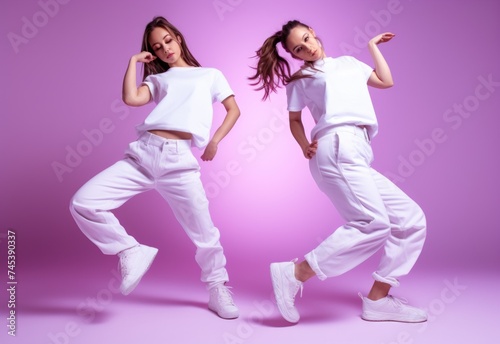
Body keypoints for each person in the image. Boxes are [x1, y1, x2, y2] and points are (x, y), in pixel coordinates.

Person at [249, 20, 427, 323]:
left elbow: (385, 81)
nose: (307, 47)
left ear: (314, 32)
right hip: (335, 146)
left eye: (307, 38)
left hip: (358, 149)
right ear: (295, 54)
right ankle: (295, 272)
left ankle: (378, 300)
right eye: (298, 48)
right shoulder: (302, 79)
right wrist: (304, 144)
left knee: (410, 221)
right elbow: (294, 119)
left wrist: (371, 48)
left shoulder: (349, 64)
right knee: (371, 223)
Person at [69, 16, 240, 319]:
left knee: (205, 233)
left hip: (179, 161)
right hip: (143, 154)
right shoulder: (159, 79)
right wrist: (134, 62)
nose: (165, 50)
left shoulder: (210, 74)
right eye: (157, 48)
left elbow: (233, 109)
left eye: (167, 41)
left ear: (178, 37)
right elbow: (131, 98)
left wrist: (214, 141)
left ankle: (217, 287)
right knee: (83, 202)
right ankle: (129, 250)